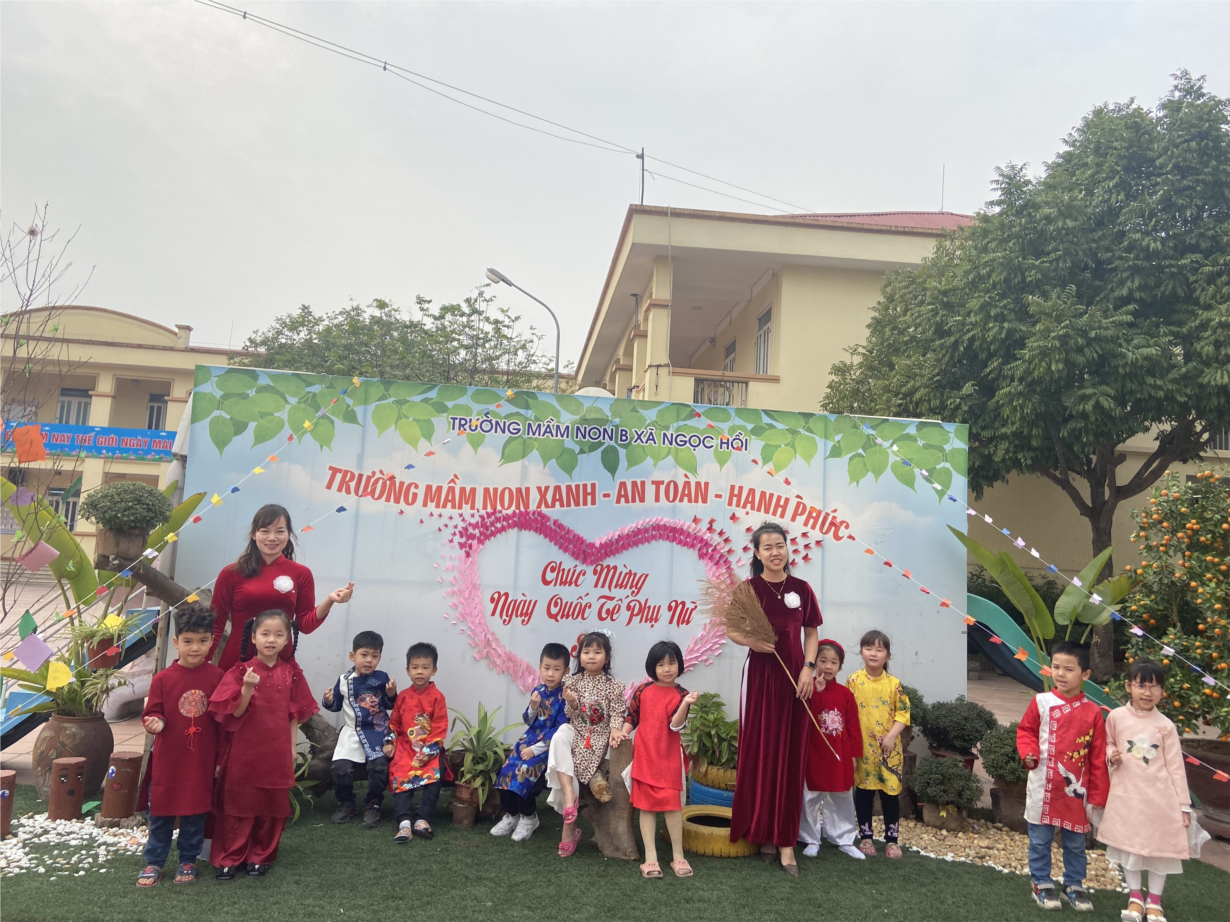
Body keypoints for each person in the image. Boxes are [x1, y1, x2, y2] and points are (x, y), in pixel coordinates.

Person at [725, 522, 821, 876]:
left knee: (790, 754)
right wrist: (750, 641)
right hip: (761, 678)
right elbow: (731, 628)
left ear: (787, 548)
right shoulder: (748, 590)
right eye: (767, 547)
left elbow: (811, 633)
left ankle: (785, 841)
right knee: (762, 751)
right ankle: (762, 831)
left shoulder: (802, 589)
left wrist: (809, 668)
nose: (775, 552)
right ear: (756, 552)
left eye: (779, 545)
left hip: (796, 680)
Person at [208, 609, 319, 880]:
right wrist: (246, 689)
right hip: (244, 751)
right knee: (239, 803)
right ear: (253, 637)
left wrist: (292, 748)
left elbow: (294, 715)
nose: (271, 639)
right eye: (265, 634)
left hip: (277, 751)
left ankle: (261, 856)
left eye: (279, 634)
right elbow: (234, 713)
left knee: (271, 806)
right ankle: (231, 856)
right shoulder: (240, 671)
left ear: (287, 640)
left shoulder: (291, 673)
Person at [1016, 640, 1109, 912]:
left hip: (1077, 793)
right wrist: (1029, 753)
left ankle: (1074, 885)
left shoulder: (1093, 712)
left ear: (1085, 674)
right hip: (1043, 784)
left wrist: (1098, 796)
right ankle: (1041, 883)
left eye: (1069, 669)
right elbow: (1026, 731)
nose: (1060, 674)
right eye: (1056, 667)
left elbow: (1098, 757)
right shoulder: (1041, 702)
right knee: (1040, 839)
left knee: (1076, 843)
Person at [1098, 659, 1194, 922]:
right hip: (1127, 796)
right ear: (1129, 686)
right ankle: (1135, 899)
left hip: (1160, 800)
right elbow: (1107, 742)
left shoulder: (1165, 725)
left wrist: (1183, 805)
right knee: (1130, 848)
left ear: (1162, 691)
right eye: (1141, 685)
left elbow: (1176, 767)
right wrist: (1111, 755)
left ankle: (1154, 902)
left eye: (1154, 687)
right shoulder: (1116, 717)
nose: (1147, 692)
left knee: (1159, 850)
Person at [136, 608, 223, 887]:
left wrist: (220, 760)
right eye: (188, 641)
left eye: (202, 641)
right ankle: (154, 861)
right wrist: (154, 722)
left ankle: (188, 859)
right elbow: (153, 712)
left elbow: (223, 720)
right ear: (176, 642)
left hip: (201, 760)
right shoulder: (162, 679)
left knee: (195, 812)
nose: (195, 647)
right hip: (168, 760)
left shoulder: (218, 677)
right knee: (160, 812)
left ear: (211, 642)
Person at [209, 503, 355, 671]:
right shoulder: (231, 573)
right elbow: (215, 626)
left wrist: (330, 600)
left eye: (279, 531)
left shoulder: (301, 573)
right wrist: (199, 668)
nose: (272, 538)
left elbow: (305, 626)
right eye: (265, 531)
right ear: (254, 534)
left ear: (288, 534)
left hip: (281, 665)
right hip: (236, 662)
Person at [614, 640, 699, 879]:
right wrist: (623, 732)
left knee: (673, 806)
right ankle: (650, 858)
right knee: (647, 807)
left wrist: (685, 704)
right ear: (652, 667)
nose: (667, 669)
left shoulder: (682, 694)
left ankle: (678, 855)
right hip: (645, 757)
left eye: (672, 663)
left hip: (669, 758)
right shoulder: (642, 690)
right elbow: (632, 716)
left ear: (679, 664)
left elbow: (675, 725)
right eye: (661, 664)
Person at [546, 630, 626, 858]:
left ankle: (568, 831)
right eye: (586, 651)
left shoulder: (613, 686)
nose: (591, 656)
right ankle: (569, 794)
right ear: (579, 657)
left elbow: (618, 712)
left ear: (606, 658)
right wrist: (572, 702)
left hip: (596, 736)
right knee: (560, 735)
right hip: (576, 730)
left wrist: (615, 728)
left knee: (572, 760)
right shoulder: (572, 681)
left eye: (597, 652)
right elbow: (571, 715)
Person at [491, 642, 571, 843]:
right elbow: (528, 721)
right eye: (547, 668)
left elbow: (560, 729)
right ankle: (512, 815)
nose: (550, 674)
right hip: (527, 741)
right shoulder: (538, 690)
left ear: (566, 671)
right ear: (540, 667)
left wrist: (535, 750)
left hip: (546, 748)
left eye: (556, 669)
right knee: (505, 771)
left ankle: (529, 818)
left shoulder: (565, 696)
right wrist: (533, 707)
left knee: (523, 773)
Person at [321, 630, 397, 828]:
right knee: (340, 768)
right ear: (352, 656)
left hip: (378, 730)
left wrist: (391, 693)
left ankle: (374, 803)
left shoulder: (382, 678)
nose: (369, 660)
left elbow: (390, 705)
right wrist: (328, 701)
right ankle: (346, 803)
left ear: (379, 658)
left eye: (374, 656)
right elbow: (336, 706)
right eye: (364, 655)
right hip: (351, 732)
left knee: (379, 766)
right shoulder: (343, 680)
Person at [847, 629, 911, 859]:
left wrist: (892, 736)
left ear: (888, 655)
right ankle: (866, 837)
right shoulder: (853, 681)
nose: (873, 653)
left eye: (879, 649)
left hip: (888, 752)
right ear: (862, 652)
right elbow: (846, 714)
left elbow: (903, 714)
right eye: (868, 648)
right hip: (862, 750)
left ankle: (892, 840)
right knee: (863, 794)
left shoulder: (894, 684)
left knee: (890, 795)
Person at [799, 638, 864, 860]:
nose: (828, 666)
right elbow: (805, 717)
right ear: (814, 662)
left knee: (842, 796)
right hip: (813, 752)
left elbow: (853, 727)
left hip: (839, 755)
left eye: (833, 662)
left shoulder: (846, 694)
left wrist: (854, 755)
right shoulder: (807, 687)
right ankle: (810, 838)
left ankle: (844, 838)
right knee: (810, 795)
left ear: (840, 666)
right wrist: (816, 693)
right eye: (823, 660)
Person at [384, 642, 448, 844]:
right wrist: (389, 742)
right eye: (415, 667)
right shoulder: (403, 696)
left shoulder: (438, 697)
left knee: (434, 773)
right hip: (405, 747)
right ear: (408, 670)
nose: (420, 672)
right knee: (399, 770)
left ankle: (422, 819)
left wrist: (429, 751)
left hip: (429, 748)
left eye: (425, 667)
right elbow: (394, 723)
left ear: (434, 670)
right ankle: (403, 822)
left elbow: (440, 726)